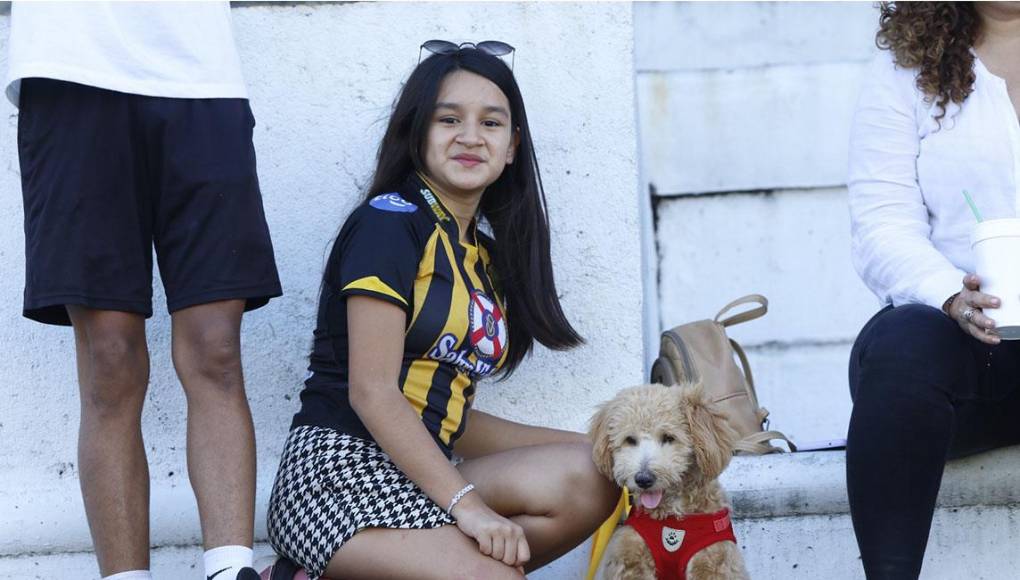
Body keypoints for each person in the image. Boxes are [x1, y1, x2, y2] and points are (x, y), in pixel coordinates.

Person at [265, 42, 619, 580]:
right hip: (335, 475)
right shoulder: (388, 225)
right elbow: (372, 392)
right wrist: (470, 508)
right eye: (448, 118)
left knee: (596, 472)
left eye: (491, 123)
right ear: (417, 133)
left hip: (423, 468)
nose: (471, 136)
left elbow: (446, 413)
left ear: (512, 146)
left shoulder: (483, 256)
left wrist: (614, 447)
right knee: (495, 576)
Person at [7, 3, 281, 580]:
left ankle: (231, 569)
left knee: (216, 348)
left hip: (200, 73)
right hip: (69, 68)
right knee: (110, 359)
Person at [846, 2, 1020, 578]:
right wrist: (949, 293)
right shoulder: (907, 69)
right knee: (903, 343)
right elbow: (882, 225)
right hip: (964, 349)